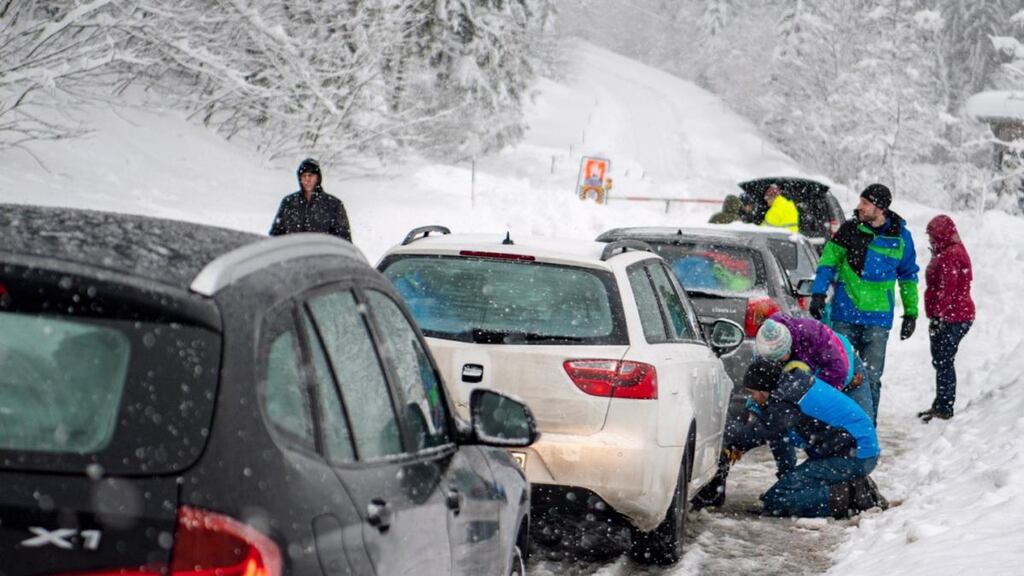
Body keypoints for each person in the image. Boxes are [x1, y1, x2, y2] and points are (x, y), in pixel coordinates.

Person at [692, 315, 871, 509]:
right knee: (784, 429)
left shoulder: (812, 336)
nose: (778, 361)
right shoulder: (766, 356)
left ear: (790, 347)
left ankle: (851, 494)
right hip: (829, 432)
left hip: (847, 372)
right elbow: (765, 410)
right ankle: (796, 480)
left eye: (782, 356)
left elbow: (837, 374)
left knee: (778, 500)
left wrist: (806, 402)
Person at [808, 183, 919, 423]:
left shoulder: (900, 236)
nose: (859, 207)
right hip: (845, 315)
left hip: (878, 320)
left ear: (879, 208)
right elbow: (828, 262)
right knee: (838, 372)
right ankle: (835, 426)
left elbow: (909, 275)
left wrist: (911, 313)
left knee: (871, 377)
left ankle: (866, 428)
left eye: (865, 203)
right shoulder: (850, 229)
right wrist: (818, 293)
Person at [724, 359, 882, 518]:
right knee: (778, 495)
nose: (753, 398)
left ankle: (851, 497)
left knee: (778, 499)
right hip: (852, 450)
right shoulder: (792, 386)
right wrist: (788, 478)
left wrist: (722, 426)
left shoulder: (785, 403)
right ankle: (850, 487)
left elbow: (754, 434)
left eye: (753, 393)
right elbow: (773, 436)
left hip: (856, 455)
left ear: (764, 389)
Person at [918, 215, 974, 422]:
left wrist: (938, 315)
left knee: (943, 360)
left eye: (932, 235)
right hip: (953, 315)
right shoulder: (950, 250)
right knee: (942, 360)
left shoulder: (951, 254)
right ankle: (941, 403)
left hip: (953, 317)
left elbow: (947, 289)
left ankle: (944, 406)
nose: (930, 239)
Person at [269, 158, 352, 241]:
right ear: (300, 179)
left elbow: (344, 239)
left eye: (310, 175)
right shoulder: (289, 202)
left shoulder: (333, 204)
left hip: (323, 252)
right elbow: (276, 236)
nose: (307, 179)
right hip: (294, 251)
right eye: (304, 176)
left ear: (318, 178)